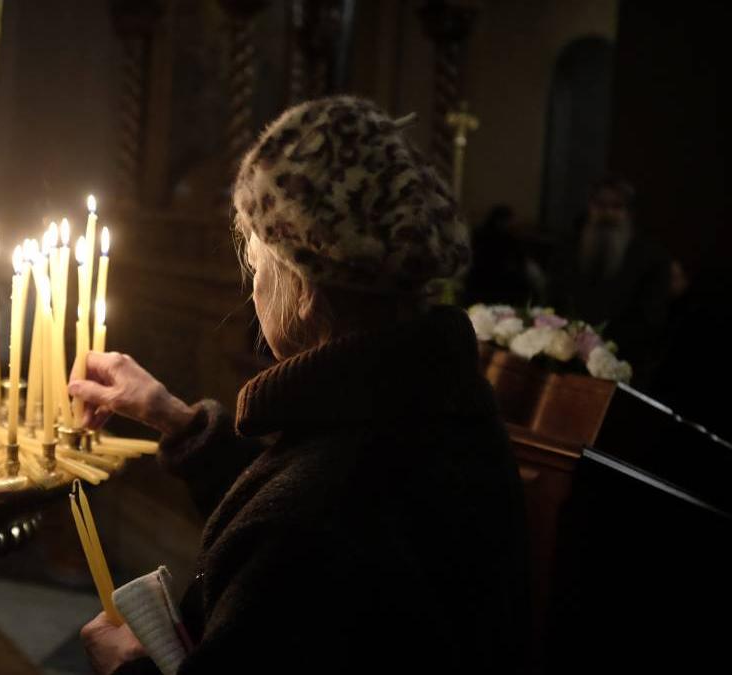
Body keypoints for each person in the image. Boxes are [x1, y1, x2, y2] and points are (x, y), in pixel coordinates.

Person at [69, 97, 529, 674]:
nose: (254, 290)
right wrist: (180, 422)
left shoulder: (319, 518)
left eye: (257, 266)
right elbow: (299, 503)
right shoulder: (432, 399)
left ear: (303, 290)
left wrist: (126, 668)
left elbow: (304, 531)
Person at [548, 177, 671, 384]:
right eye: (600, 205)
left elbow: (651, 319)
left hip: (621, 364)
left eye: (616, 206)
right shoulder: (567, 250)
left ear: (629, 212)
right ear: (590, 207)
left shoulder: (651, 258)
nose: (607, 214)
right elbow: (553, 300)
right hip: (565, 361)